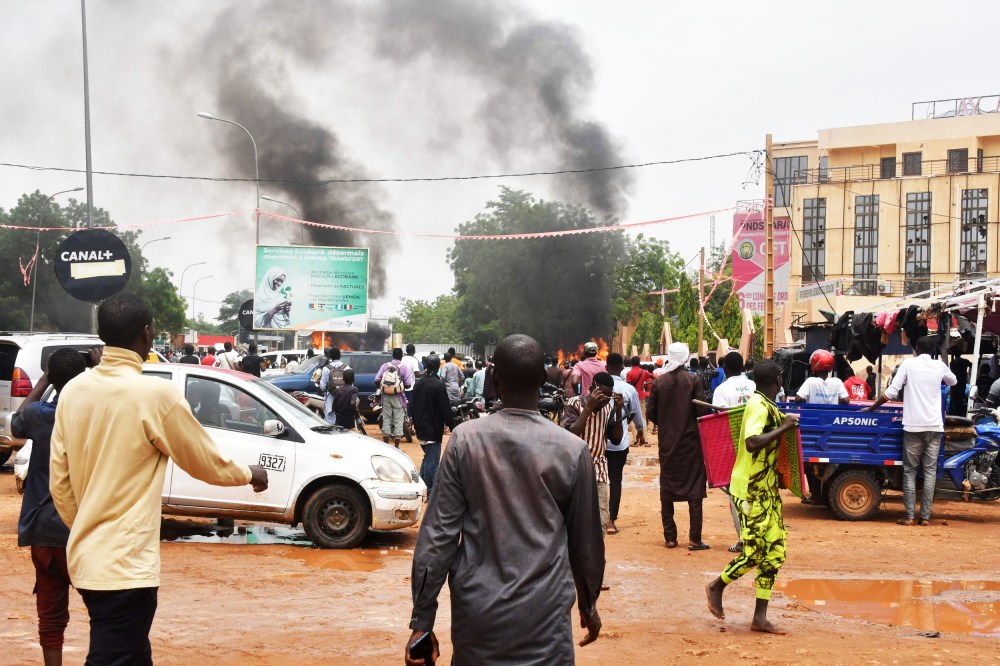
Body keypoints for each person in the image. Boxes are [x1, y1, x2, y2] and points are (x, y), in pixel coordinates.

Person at [49, 294, 268, 665]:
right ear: (147, 334)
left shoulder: (73, 391)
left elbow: (60, 481)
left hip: (87, 560)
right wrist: (249, 473)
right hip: (125, 569)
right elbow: (204, 461)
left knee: (133, 654)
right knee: (115, 656)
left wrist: (87, 527)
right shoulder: (153, 395)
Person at [405, 334, 604, 665]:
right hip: (546, 622)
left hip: (478, 619)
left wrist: (421, 623)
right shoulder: (571, 450)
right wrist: (589, 605)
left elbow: (437, 538)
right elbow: (586, 546)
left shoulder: (464, 441)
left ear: (494, 379)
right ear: (543, 380)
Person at [705, 359, 799, 635]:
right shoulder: (758, 405)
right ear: (779, 380)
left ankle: (760, 618)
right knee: (755, 551)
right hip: (750, 490)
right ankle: (716, 586)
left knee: (776, 551)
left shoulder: (766, 405)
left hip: (766, 489)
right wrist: (785, 427)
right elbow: (752, 441)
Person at [14, 348, 88, 666]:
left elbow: (17, 422)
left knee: (51, 617)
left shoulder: (40, 417)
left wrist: (46, 377)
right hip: (85, 531)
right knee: (106, 611)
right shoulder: (95, 417)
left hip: (45, 531)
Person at [863, 336, 957, 526]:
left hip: (913, 427)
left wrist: (872, 408)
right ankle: (925, 517)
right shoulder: (939, 366)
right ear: (933, 351)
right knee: (930, 472)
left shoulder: (908, 365)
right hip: (934, 427)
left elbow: (891, 392)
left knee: (910, 472)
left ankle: (908, 516)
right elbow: (953, 381)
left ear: (915, 348)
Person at [647, 342, 710, 550]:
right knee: (694, 491)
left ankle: (670, 537)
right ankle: (694, 538)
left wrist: (666, 424)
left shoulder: (659, 383)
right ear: (685, 358)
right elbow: (702, 411)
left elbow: (650, 413)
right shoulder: (693, 380)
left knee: (667, 489)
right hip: (691, 444)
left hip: (667, 444)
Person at [562, 372, 625, 534]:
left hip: (599, 470)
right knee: (575, 522)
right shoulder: (574, 404)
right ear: (591, 389)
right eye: (602, 396)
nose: (605, 401)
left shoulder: (608, 408)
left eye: (608, 397)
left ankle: (594, 557)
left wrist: (618, 411)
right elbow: (570, 434)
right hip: (574, 471)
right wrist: (588, 409)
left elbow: (616, 439)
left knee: (602, 520)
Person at [711, 351, 756, 554]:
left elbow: (719, 422)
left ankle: (743, 541)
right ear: (744, 368)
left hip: (735, 450)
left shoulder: (722, 389)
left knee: (735, 496)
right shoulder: (755, 386)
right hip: (758, 445)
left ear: (726, 368)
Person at [604, 354, 646, 535]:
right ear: (622, 368)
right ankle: (611, 521)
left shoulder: (597, 387)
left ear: (606, 367)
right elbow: (637, 414)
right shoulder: (628, 389)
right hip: (619, 444)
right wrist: (640, 432)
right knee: (615, 480)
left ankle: (595, 518)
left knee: (596, 480)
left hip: (598, 442)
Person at [410, 355, 456, 495]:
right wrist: (452, 425)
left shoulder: (419, 383)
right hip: (433, 428)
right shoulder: (438, 385)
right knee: (433, 461)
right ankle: (430, 490)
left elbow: (413, 406)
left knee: (428, 457)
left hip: (420, 427)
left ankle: (422, 484)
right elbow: (445, 408)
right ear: (437, 367)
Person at [375, 348, 414, 447]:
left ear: (392, 355)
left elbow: (376, 380)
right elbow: (409, 384)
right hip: (399, 398)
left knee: (387, 419)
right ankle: (396, 447)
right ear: (401, 356)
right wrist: (400, 387)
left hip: (386, 398)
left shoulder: (385, 366)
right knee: (398, 420)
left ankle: (386, 445)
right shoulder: (404, 368)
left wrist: (385, 388)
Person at [319, 347, 349, 425]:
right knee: (343, 426)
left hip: (330, 401)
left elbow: (322, 386)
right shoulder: (346, 368)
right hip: (343, 401)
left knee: (330, 425)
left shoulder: (326, 369)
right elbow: (351, 385)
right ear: (340, 356)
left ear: (330, 356)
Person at [625, 355, 652, 431]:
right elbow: (654, 377)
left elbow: (629, 387)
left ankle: (635, 439)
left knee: (634, 417)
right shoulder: (644, 372)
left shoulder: (629, 373)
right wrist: (648, 383)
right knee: (642, 416)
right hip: (641, 396)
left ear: (631, 363)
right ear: (639, 363)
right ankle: (644, 437)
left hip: (632, 397)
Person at [949, 352, 972, 417]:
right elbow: (972, 365)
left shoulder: (952, 363)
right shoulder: (965, 361)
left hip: (954, 384)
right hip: (962, 383)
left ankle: (955, 413)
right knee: (960, 399)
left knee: (954, 400)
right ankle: (959, 413)